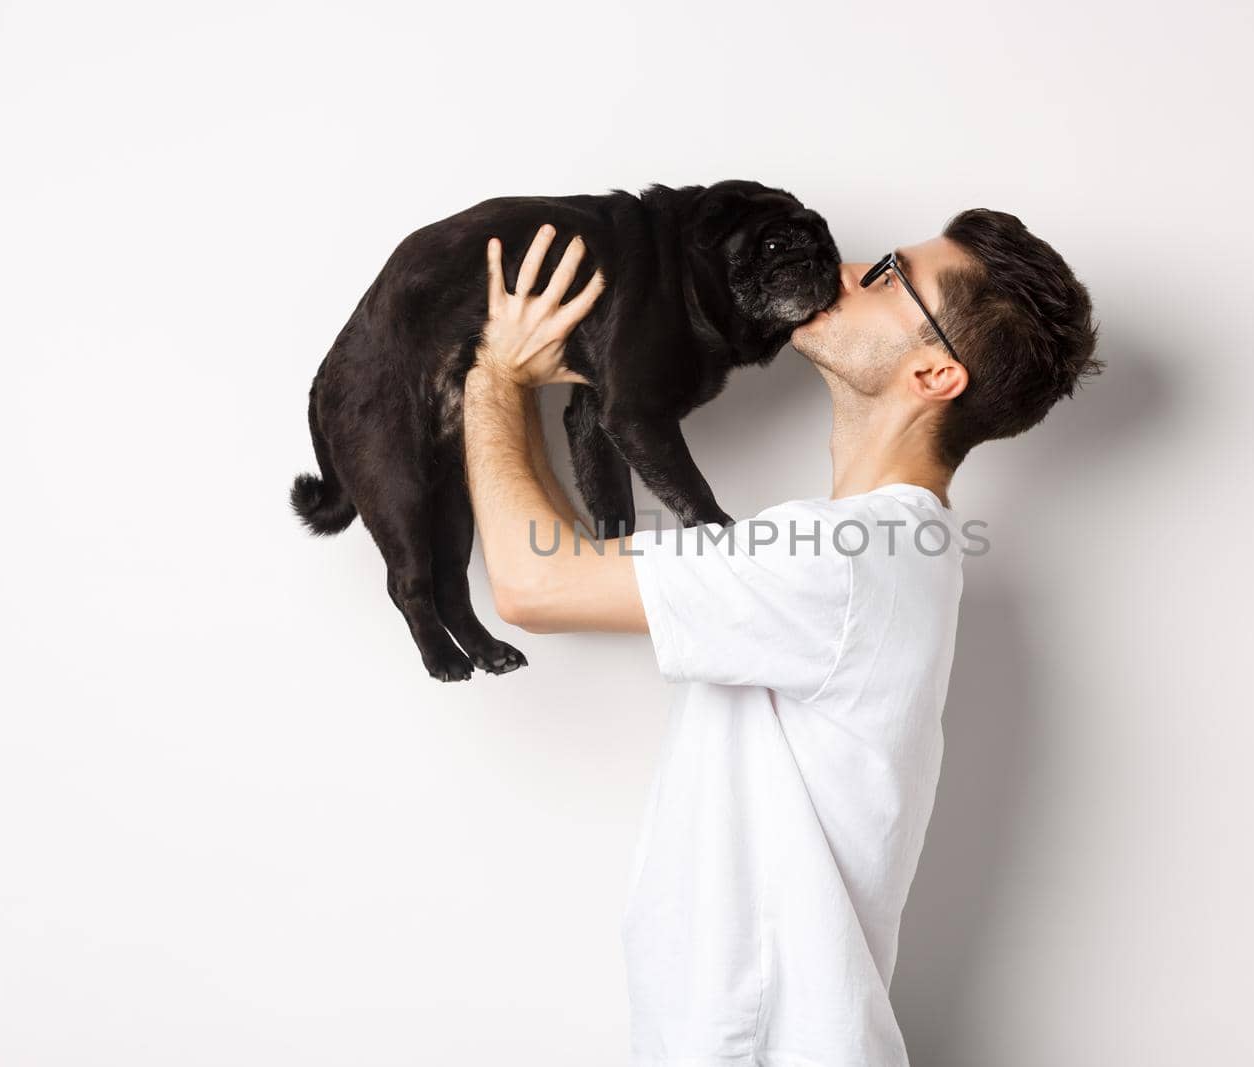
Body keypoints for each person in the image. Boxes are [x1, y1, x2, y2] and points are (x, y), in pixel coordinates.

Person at [462, 210, 1100, 1066]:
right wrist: (566, 379)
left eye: (888, 277)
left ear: (935, 371)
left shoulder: (846, 560)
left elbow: (534, 583)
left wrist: (487, 373)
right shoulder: (879, 552)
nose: (843, 269)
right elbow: (566, 555)